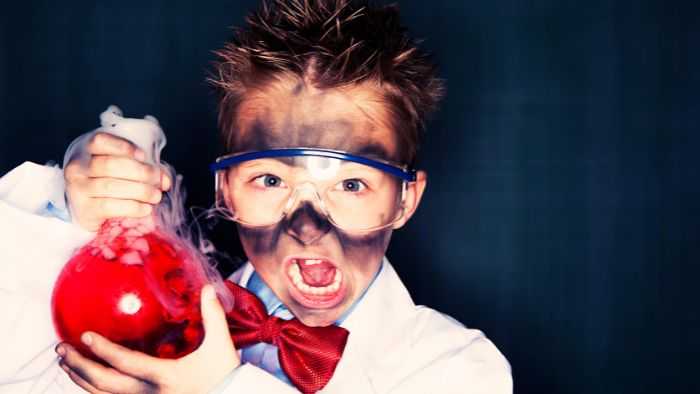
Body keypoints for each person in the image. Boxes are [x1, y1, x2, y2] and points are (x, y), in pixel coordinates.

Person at [0, 1, 511, 393]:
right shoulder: (151, 321)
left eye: (352, 185)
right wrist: (70, 212)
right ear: (224, 190)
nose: (308, 226)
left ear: (404, 200)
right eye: (270, 181)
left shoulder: (457, 365)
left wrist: (222, 387)